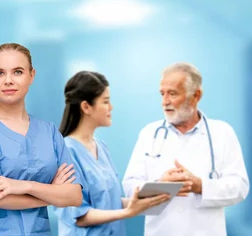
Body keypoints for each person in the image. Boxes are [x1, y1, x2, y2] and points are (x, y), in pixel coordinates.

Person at [0, 43, 83, 236]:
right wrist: (52, 193)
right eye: (0, 73)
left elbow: (75, 195)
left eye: (17, 72)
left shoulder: (49, 131)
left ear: (31, 75)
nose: (8, 80)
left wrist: (24, 186)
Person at [122, 62, 249, 235]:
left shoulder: (222, 132)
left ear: (196, 96)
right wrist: (160, 184)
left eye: (172, 94)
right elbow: (130, 186)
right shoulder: (149, 133)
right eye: (162, 94)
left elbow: (240, 187)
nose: (165, 101)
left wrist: (201, 186)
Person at [55, 71, 170, 236]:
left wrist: (145, 201)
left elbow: (109, 202)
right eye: (106, 101)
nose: (111, 107)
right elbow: (78, 215)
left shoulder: (101, 148)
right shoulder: (65, 153)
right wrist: (128, 212)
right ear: (86, 107)